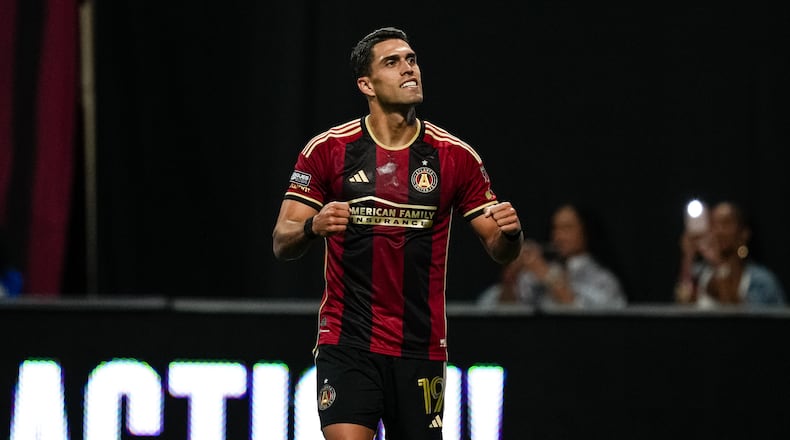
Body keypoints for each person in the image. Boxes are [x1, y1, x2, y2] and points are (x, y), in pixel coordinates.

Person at [271, 27, 523, 440]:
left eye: (411, 60)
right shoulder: (328, 150)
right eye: (393, 62)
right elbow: (282, 241)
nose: (409, 69)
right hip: (347, 340)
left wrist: (510, 234)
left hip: (420, 347)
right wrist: (313, 226)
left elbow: (500, 250)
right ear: (366, 84)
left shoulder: (455, 157)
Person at [478, 203, 627, 310]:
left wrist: (547, 275)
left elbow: (589, 317)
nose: (558, 236)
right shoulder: (537, 274)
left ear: (586, 232)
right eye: (555, 229)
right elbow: (496, 311)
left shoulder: (601, 278)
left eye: (567, 228)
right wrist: (510, 278)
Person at [675, 200, 786, 308]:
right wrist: (688, 256)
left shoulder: (762, 282)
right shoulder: (699, 274)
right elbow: (683, 302)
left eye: (726, 223)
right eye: (713, 224)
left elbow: (737, 317)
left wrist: (718, 263)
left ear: (744, 233)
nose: (718, 231)